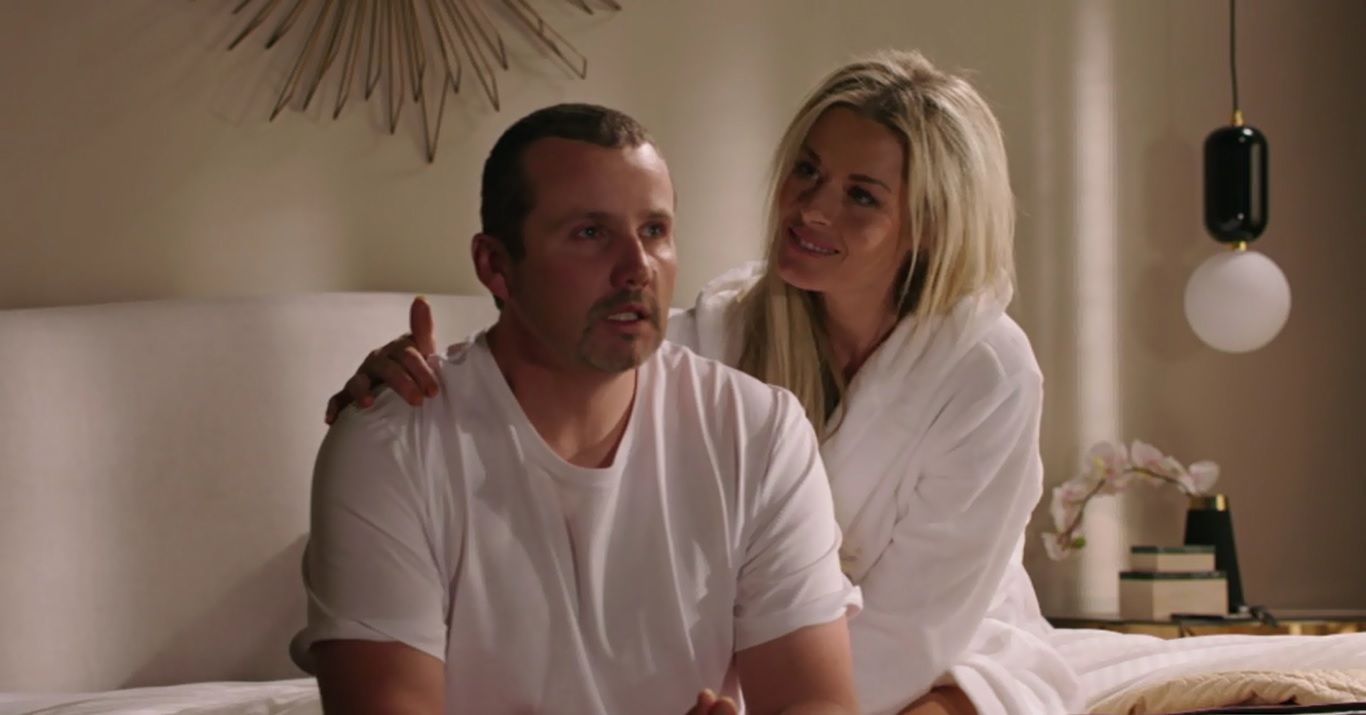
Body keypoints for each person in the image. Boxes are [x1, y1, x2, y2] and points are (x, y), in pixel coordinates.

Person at [324, 51, 1082, 715]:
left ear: (929, 226)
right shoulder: (730, 331)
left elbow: (908, 633)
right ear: (493, 262)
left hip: (942, 632)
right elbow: (580, 351)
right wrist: (404, 387)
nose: (810, 208)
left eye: (860, 195)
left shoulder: (983, 373)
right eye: (807, 170)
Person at [291, 103, 863, 715]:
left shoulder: (759, 432)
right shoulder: (392, 443)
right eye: (590, 233)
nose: (637, 269)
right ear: (495, 265)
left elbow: (817, 702)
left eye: (654, 230)